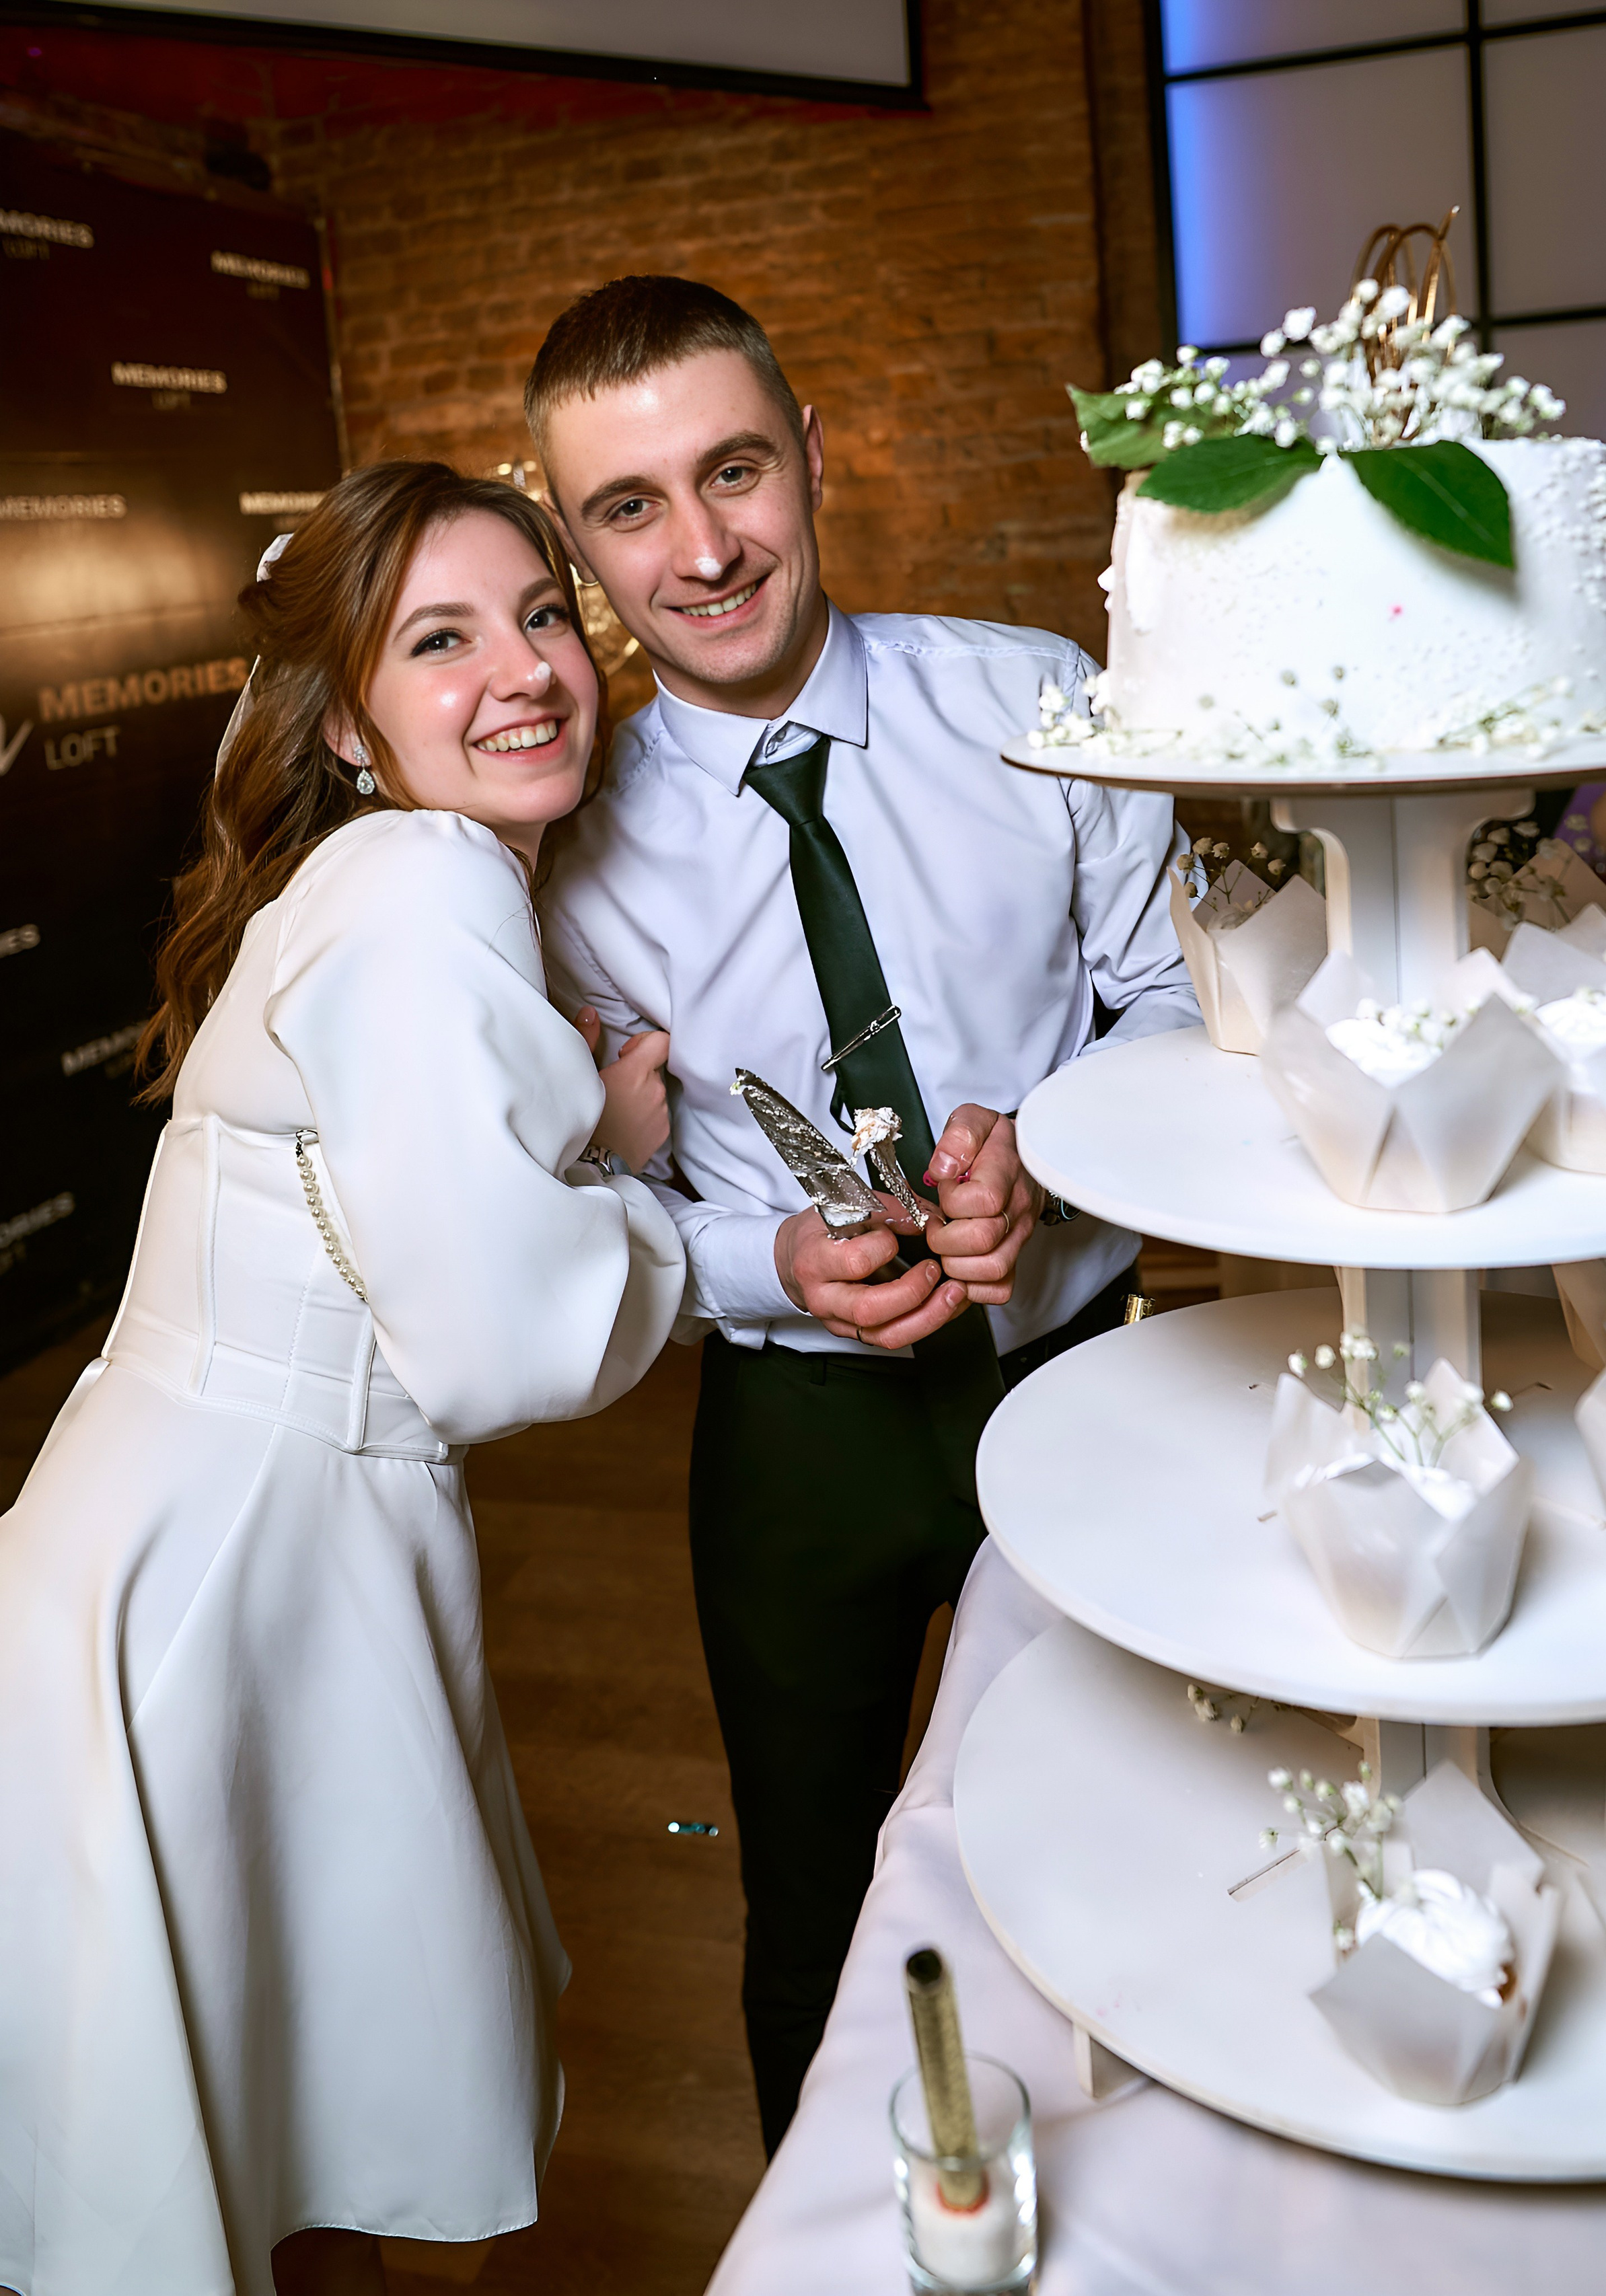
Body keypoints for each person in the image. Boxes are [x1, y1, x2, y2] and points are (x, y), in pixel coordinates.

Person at [528, 274, 1200, 2150]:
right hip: (791, 1433)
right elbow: (599, 1191)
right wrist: (765, 1260)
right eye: (630, 507)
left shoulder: (1042, 705)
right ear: (577, 539)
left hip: (1074, 1383)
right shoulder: (555, 840)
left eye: (735, 471)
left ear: (812, 459)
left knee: (1116, 1848)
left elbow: (1171, 1003)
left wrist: (1048, 1156)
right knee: (808, 1908)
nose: (704, 546)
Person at [0, 462, 684, 2296]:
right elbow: (486, 1337)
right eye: (440, 641)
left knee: (234, 2109)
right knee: (250, 2106)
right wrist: (633, 1178)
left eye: (544, 615)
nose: (525, 669)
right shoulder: (423, 877)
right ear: (358, 730)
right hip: (243, 1559)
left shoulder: (380, 872)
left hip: (189, 1525)